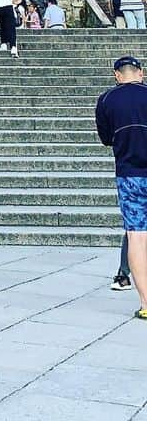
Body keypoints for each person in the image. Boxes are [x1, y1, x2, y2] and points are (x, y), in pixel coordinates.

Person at [95, 55, 147, 319]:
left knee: (136, 235)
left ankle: (146, 303)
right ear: (141, 73)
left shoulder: (106, 100)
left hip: (130, 174)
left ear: (117, 75)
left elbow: (106, 138)